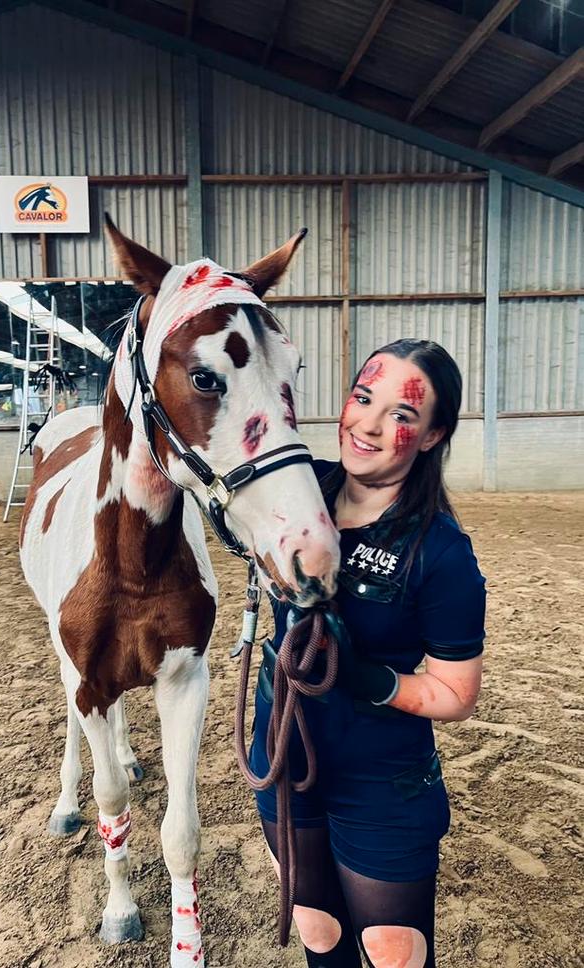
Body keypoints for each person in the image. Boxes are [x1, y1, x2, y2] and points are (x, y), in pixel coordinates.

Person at [249, 339, 486, 968]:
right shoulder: (300, 490)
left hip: (381, 783)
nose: (370, 425)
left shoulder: (441, 552)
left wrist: (367, 680)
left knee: (391, 952)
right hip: (283, 753)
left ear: (433, 436)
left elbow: (456, 695)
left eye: (400, 415)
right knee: (317, 929)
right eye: (363, 398)